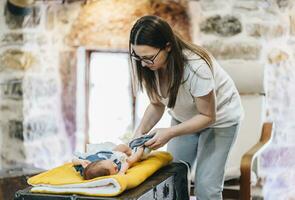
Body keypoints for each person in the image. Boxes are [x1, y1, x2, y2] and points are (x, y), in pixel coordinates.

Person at [129, 15, 243, 199]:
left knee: (206, 187)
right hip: (185, 118)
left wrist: (170, 132)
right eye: (138, 57)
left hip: (219, 120)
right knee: (172, 179)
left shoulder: (196, 67)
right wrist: (137, 135)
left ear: (168, 46)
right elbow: (157, 104)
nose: (143, 63)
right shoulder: (149, 67)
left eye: (148, 58)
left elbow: (208, 116)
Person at [72, 134, 154, 180]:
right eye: (114, 169)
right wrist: (122, 171)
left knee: (122, 147)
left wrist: (81, 161)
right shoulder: (118, 170)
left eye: (112, 164)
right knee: (131, 160)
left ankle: (130, 149)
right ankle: (140, 148)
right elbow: (126, 164)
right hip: (122, 159)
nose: (115, 165)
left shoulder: (86, 166)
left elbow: (74, 160)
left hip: (110, 154)